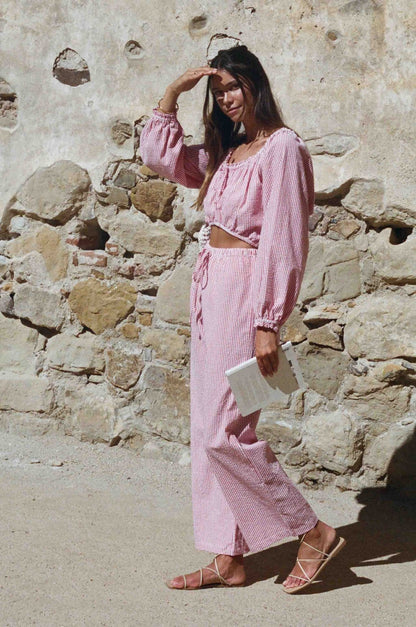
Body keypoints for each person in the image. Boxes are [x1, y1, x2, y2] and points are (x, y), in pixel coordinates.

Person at [140, 45, 346, 594]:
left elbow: (285, 237)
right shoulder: (228, 151)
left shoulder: (283, 148)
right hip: (211, 291)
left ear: (256, 83)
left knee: (225, 432)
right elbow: (163, 160)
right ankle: (227, 557)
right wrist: (172, 94)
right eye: (218, 92)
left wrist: (268, 320)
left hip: (247, 294)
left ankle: (312, 531)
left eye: (233, 86)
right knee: (206, 426)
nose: (226, 99)